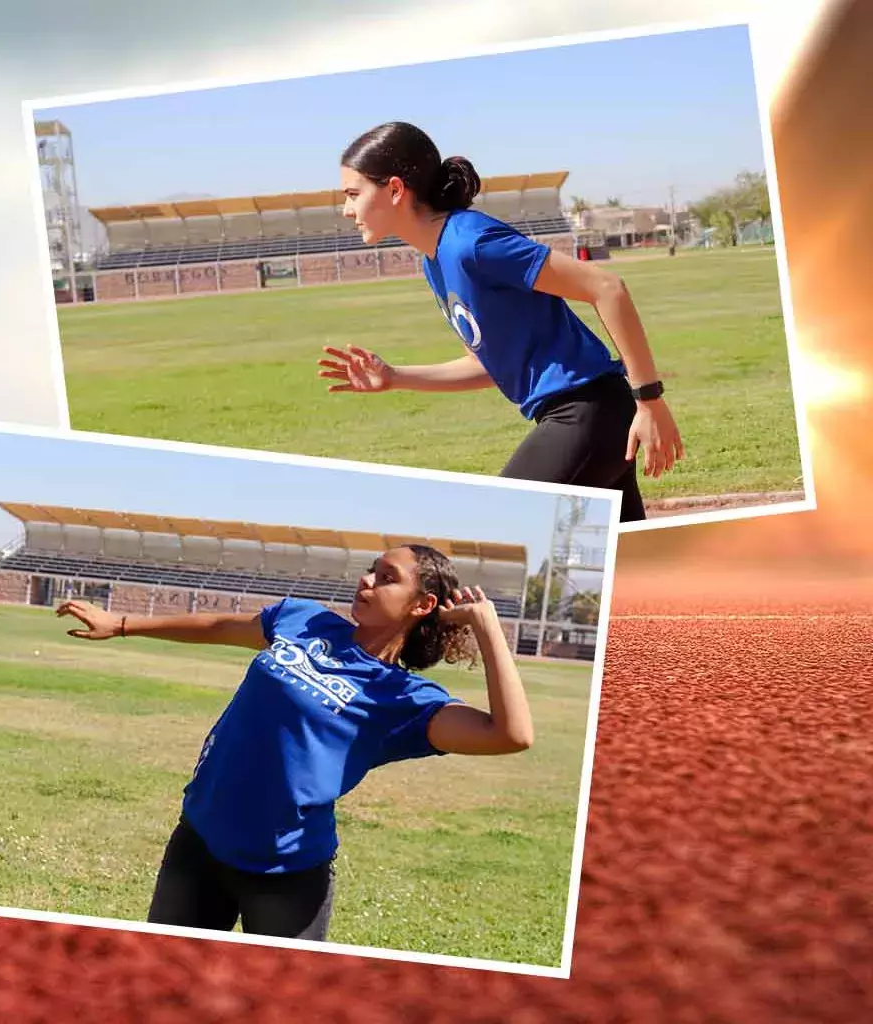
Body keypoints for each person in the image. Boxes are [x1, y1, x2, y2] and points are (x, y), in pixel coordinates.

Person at [54, 544, 533, 941]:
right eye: (370, 571)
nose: (366, 581)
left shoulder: (405, 699)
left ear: (421, 604)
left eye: (386, 578)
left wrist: (487, 627)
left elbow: (510, 735)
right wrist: (120, 624)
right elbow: (220, 628)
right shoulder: (305, 621)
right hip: (199, 839)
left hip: (285, 873)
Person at [317, 122, 684, 522]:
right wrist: (395, 376)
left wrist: (649, 400)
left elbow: (607, 287)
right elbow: (485, 365)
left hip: (588, 412)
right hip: (584, 416)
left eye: (353, 194)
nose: (346, 210)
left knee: (500, 522)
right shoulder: (434, 260)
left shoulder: (471, 242)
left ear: (394, 189)